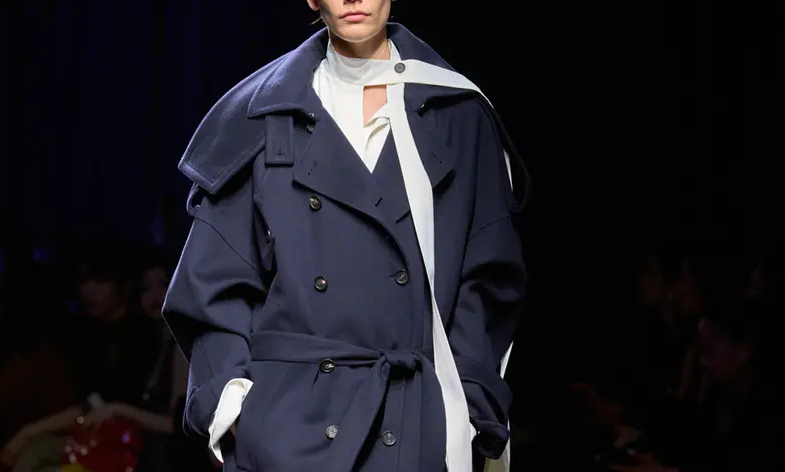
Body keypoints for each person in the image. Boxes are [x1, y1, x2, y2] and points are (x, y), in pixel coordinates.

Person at [163, 1, 529, 471]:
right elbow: (213, 279)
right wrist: (236, 410)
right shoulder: (261, 114)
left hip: (415, 420)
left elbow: (487, 275)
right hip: (289, 428)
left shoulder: (455, 110)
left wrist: (470, 408)